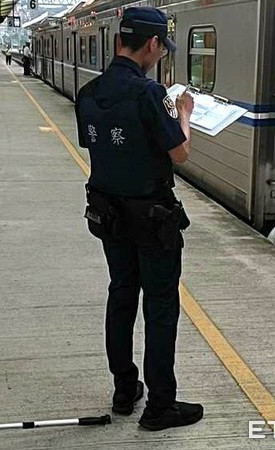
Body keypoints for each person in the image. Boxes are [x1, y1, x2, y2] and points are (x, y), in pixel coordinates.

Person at [75, 7, 203, 431]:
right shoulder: (150, 95)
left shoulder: (89, 92)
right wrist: (183, 112)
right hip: (152, 218)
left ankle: (125, 389)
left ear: (117, 41)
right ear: (152, 45)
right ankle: (161, 406)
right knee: (161, 306)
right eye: (161, 48)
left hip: (110, 215)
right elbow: (179, 152)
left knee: (122, 294)